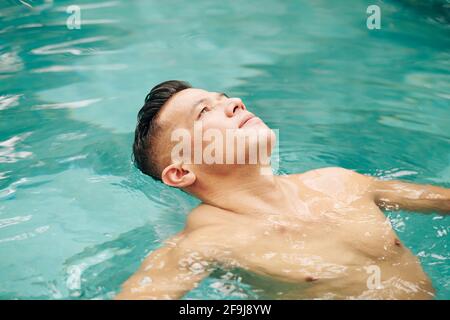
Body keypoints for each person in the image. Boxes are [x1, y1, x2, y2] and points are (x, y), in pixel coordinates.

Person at [115, 80, 449, 300]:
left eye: (223, 98)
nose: (234, 102)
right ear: (181, 171)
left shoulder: (339, 182)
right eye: (204, 112)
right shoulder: (206, 243)